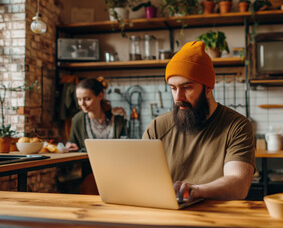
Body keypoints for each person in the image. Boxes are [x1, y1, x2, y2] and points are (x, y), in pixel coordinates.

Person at [142, 41, 255, 202]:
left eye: (186, 88)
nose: (178, 98)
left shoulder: (237, 126)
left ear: (208, 87)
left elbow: (239, 185)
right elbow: (141, 179)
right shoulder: (157, 128)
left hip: (217, 217)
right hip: (168, 217)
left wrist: (197, 190)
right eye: (173, 88)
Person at [66, 77, 127, 152]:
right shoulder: (77, 119)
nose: (82, 104)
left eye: (87, 99)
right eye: (79, 99)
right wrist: (69, 146)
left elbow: (125, 146)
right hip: (89, 164)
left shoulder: (118, 118)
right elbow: (72, 143)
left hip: (116, 163)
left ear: (100, 96)